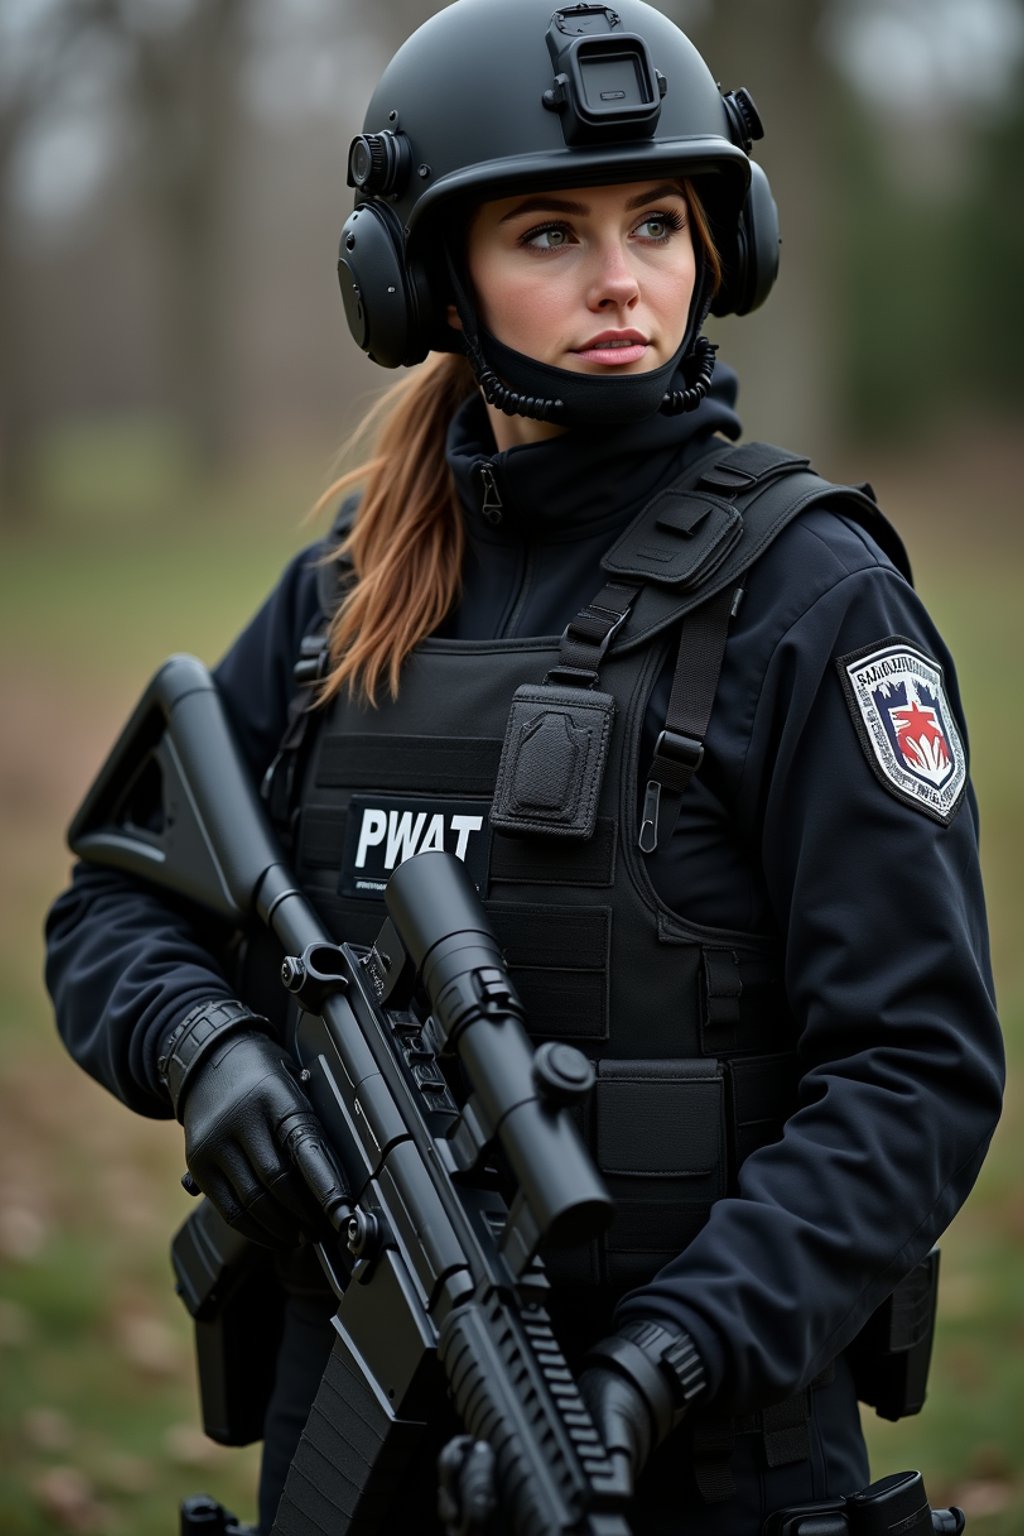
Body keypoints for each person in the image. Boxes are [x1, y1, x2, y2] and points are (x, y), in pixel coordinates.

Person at [45, 2, 1004, 1533]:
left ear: (727, 246)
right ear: (422, 278)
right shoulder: (342, 597)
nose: (622, 282)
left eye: (660, 224)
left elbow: (915, 1077)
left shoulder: (818, 603)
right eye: (550, 233)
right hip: (347, 1429)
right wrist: (203, 1050)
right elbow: (111, 911)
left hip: (695, 1453)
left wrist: (666, 1361)